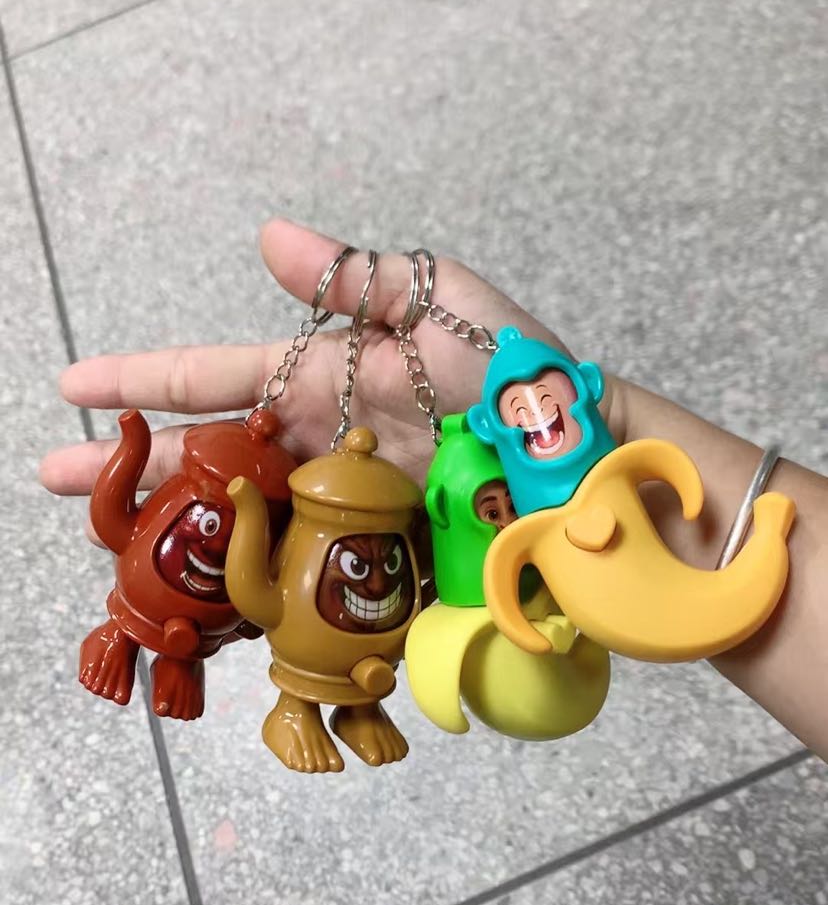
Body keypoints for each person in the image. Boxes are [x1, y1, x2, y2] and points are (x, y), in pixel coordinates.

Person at [39, 219, 828, 760]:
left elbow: (362, 580)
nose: (539, 414)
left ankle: (353, 710)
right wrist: (233, 512)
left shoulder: (461, 501)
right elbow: (252, 588)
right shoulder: (290, 517)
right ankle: (280, 699)